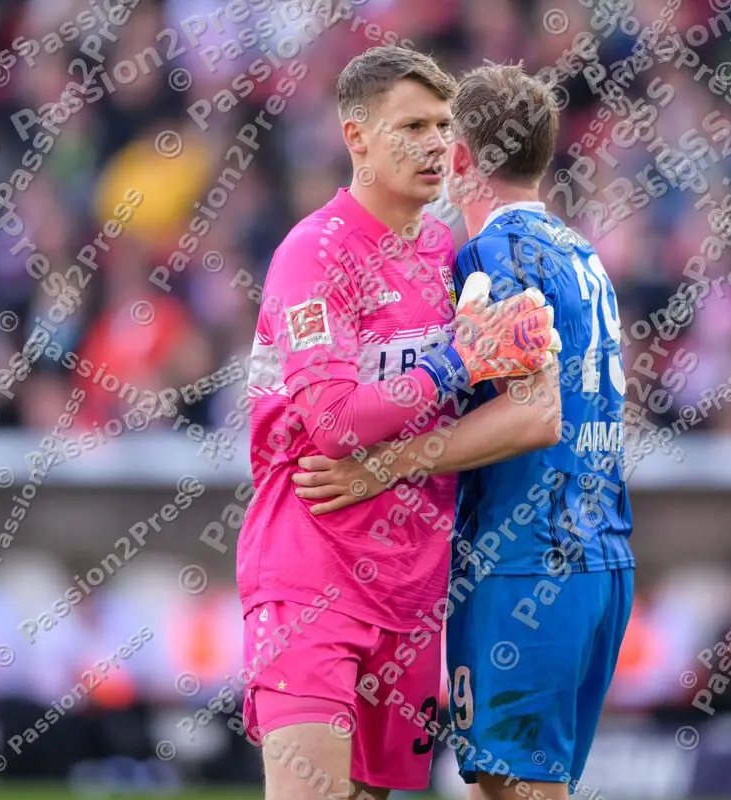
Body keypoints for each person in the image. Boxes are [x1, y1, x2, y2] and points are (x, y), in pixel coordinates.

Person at [292, 63, 635, 800]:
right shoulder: (583, 255)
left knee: (514, 792)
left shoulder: (492, 257)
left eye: (440, 132)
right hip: (601, 553)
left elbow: (535, 414)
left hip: (527, 561)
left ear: (460, 159)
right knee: (500, 787)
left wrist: (382, 467)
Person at [238, 47, 559, 800]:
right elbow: (333, 423)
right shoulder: (312, 257)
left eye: (444, 126)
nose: (435, 145)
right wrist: (457, 361)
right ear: (356, 139)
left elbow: (520, 409)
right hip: (309, 569)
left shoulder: (448, 253)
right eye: (411, 126)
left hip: (415, 587)